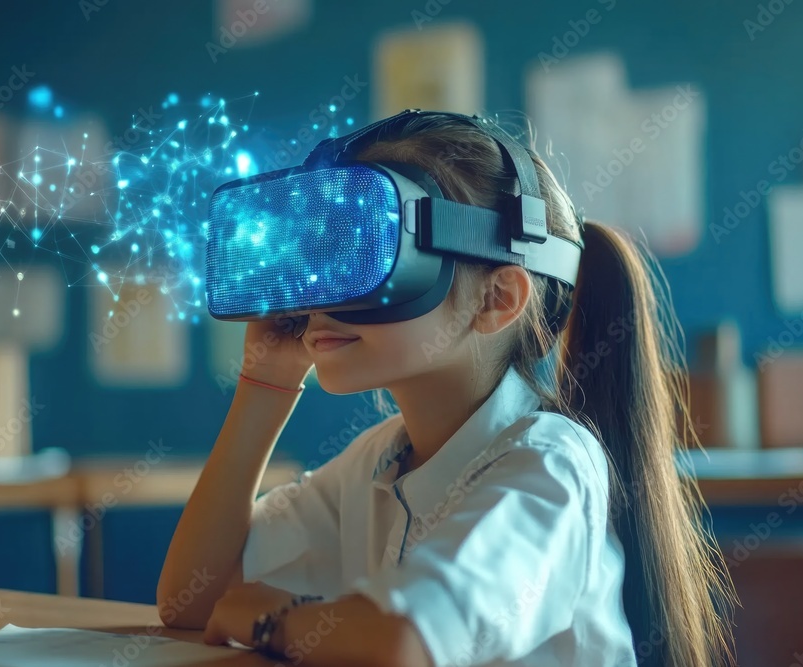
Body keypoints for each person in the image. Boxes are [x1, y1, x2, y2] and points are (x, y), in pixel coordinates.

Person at [157, 112, 735, 667]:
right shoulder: (378, 461)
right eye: (320, 256)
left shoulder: (549, 464)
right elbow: (192, 601)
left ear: (497, 299)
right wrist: (265, 383)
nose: (321, 296)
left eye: (368, 250)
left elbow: (405, 644)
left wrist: (276, 620)